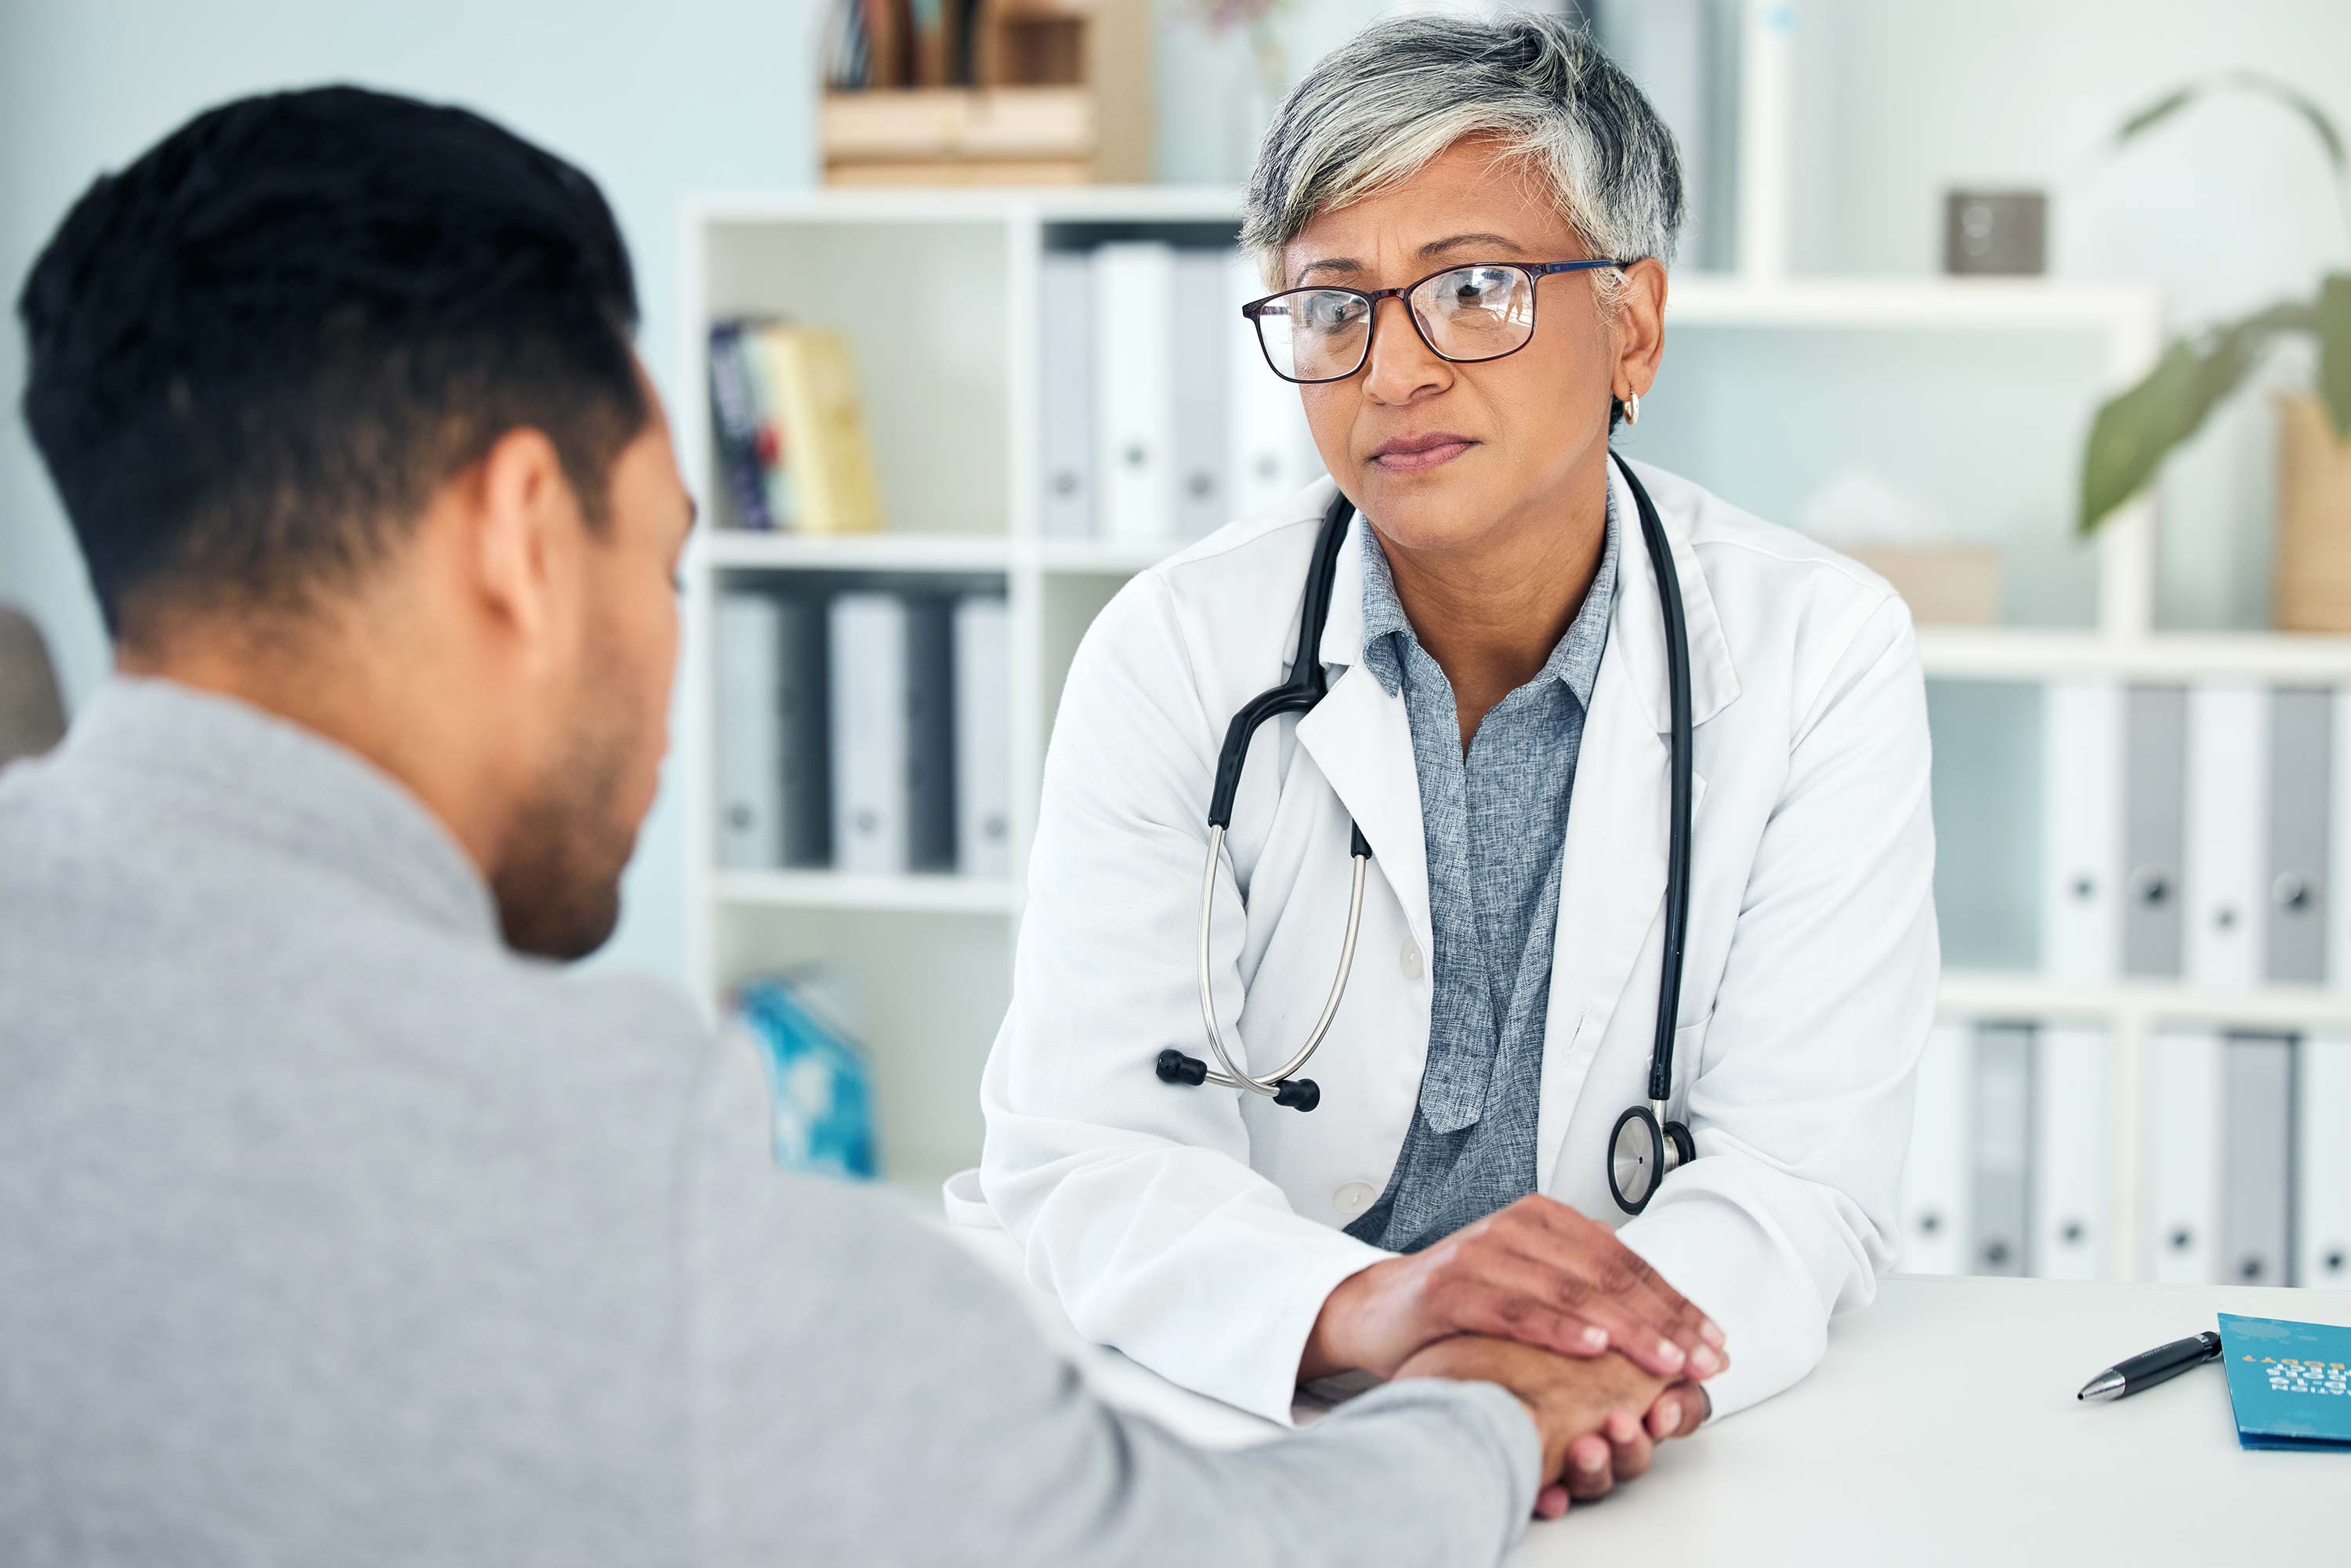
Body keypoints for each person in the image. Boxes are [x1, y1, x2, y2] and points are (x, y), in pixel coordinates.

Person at [0, 85, 1681, 1567]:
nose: (669, 673)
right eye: (663, 560)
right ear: (521, 535)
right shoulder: (625, 1192)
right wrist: (1476, 1409)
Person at [972, 11, 1939, 1493]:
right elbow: (1085, 1152)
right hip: (1230, 1425)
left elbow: (1798, 1178)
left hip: (1617, 1442)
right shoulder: (1172, 655)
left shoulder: (1821, 655)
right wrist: (1370, 1313)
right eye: (1331, 306)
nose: (1394, 370)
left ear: (1632, 323)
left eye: (1474, 290)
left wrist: (1552, 1377)